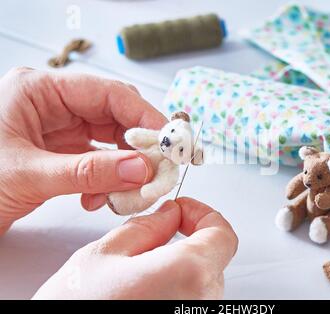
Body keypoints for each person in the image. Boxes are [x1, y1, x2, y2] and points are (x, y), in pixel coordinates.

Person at [0, 67, 238, 299]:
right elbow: (136, 135)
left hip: (131, 196)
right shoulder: (157, 139)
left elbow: (163, 183)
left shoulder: (170, 168)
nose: (168, 141)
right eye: (172, 133)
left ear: (190, 157)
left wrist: (149, 188)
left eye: (182, 148)